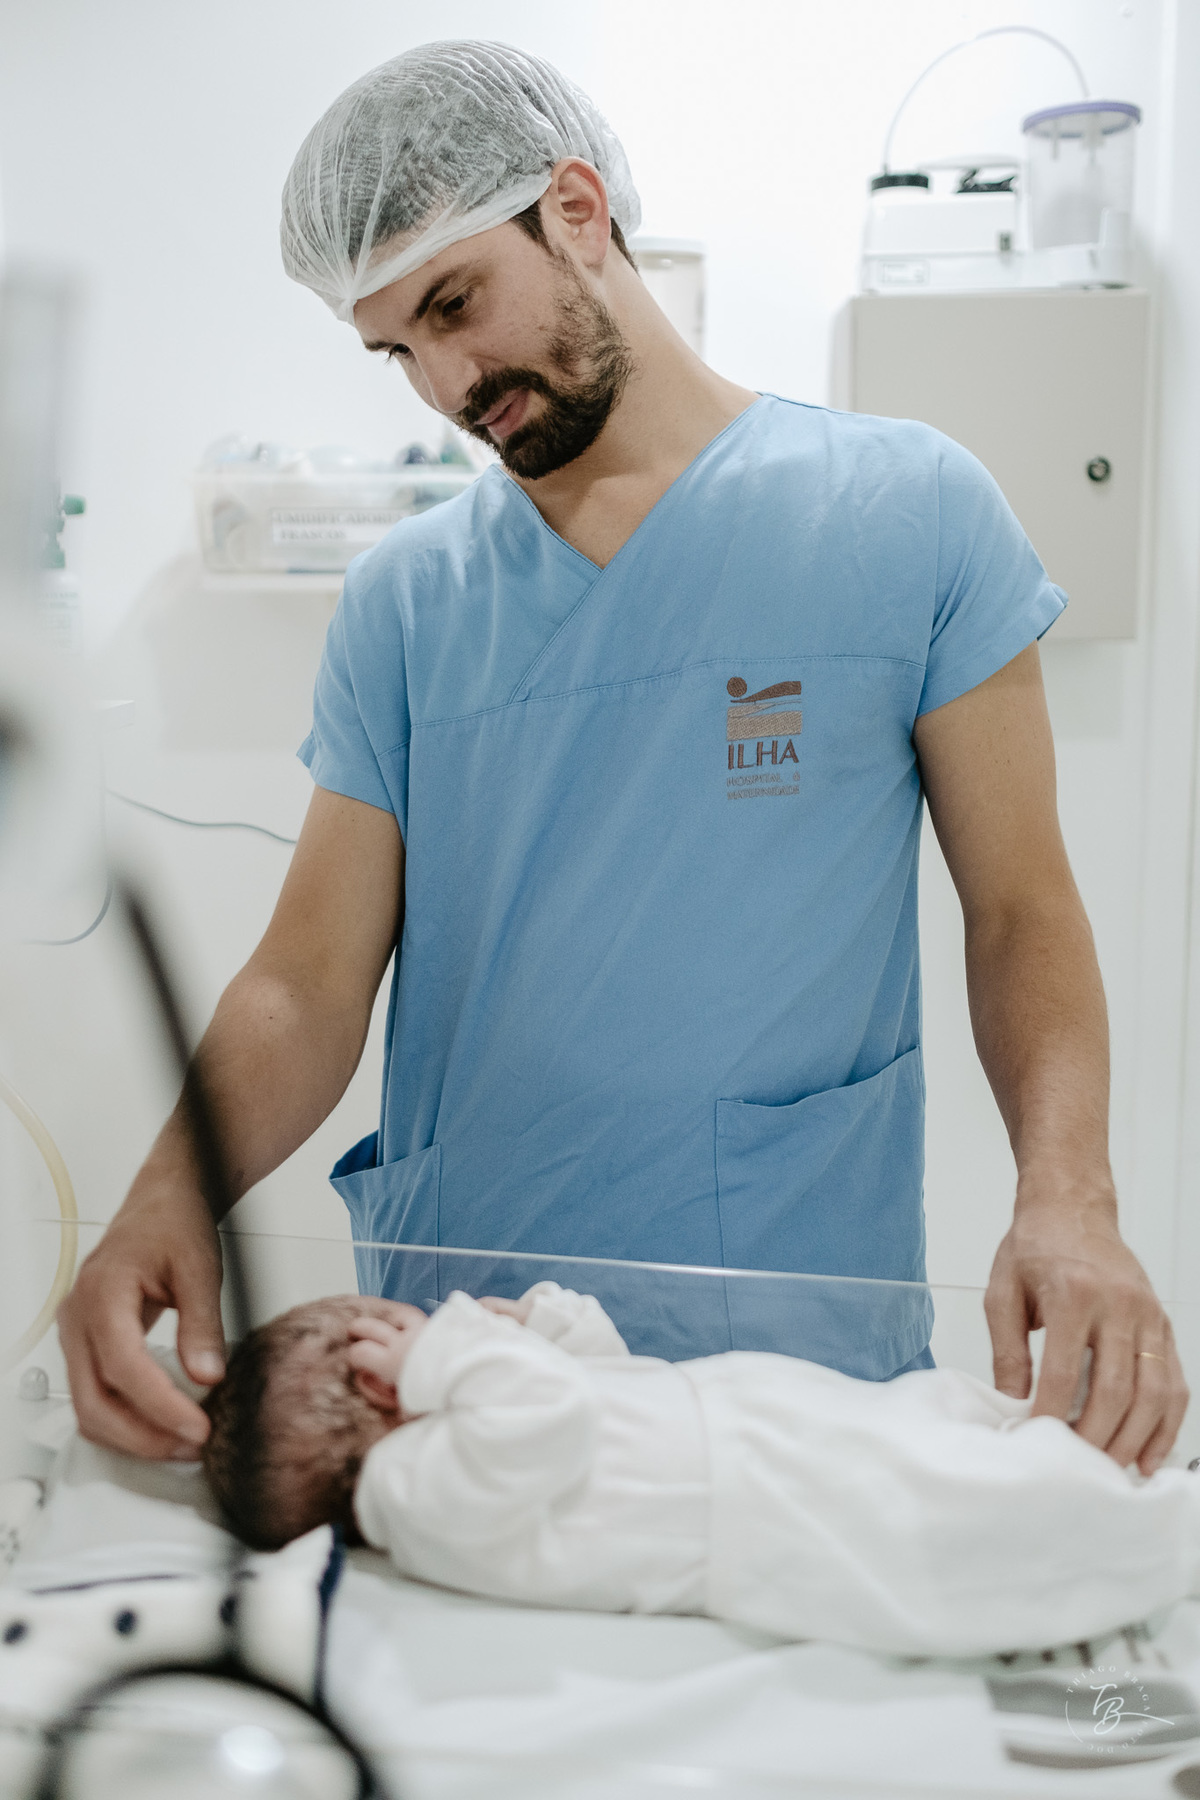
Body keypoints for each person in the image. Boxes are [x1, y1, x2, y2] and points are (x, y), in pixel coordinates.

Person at [60, 42, 1186, 1470]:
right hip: (465, 1373)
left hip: (793, 1368)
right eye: (397, 347)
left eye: (457, 305)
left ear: (579, 211)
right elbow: (306, 979)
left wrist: (1069, 1197)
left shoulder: (906, 516)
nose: (447, 382)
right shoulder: (411, 605)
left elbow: (1023, 910)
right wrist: (170, 1190)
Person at [200, 1282, 1200, 1660]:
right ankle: (1161, 1528)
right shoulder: (414, 1498)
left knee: (945, 1427)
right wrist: (449, 1357)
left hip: (762, 1432)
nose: (435, 1314)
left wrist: (545, 1326)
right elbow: (544, 1420)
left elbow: (590, 1379)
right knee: (970, 1517)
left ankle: (1125, 1470)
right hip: (770, 1511)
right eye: (395, 1323)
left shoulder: (454, 1437)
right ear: (372, 1385)